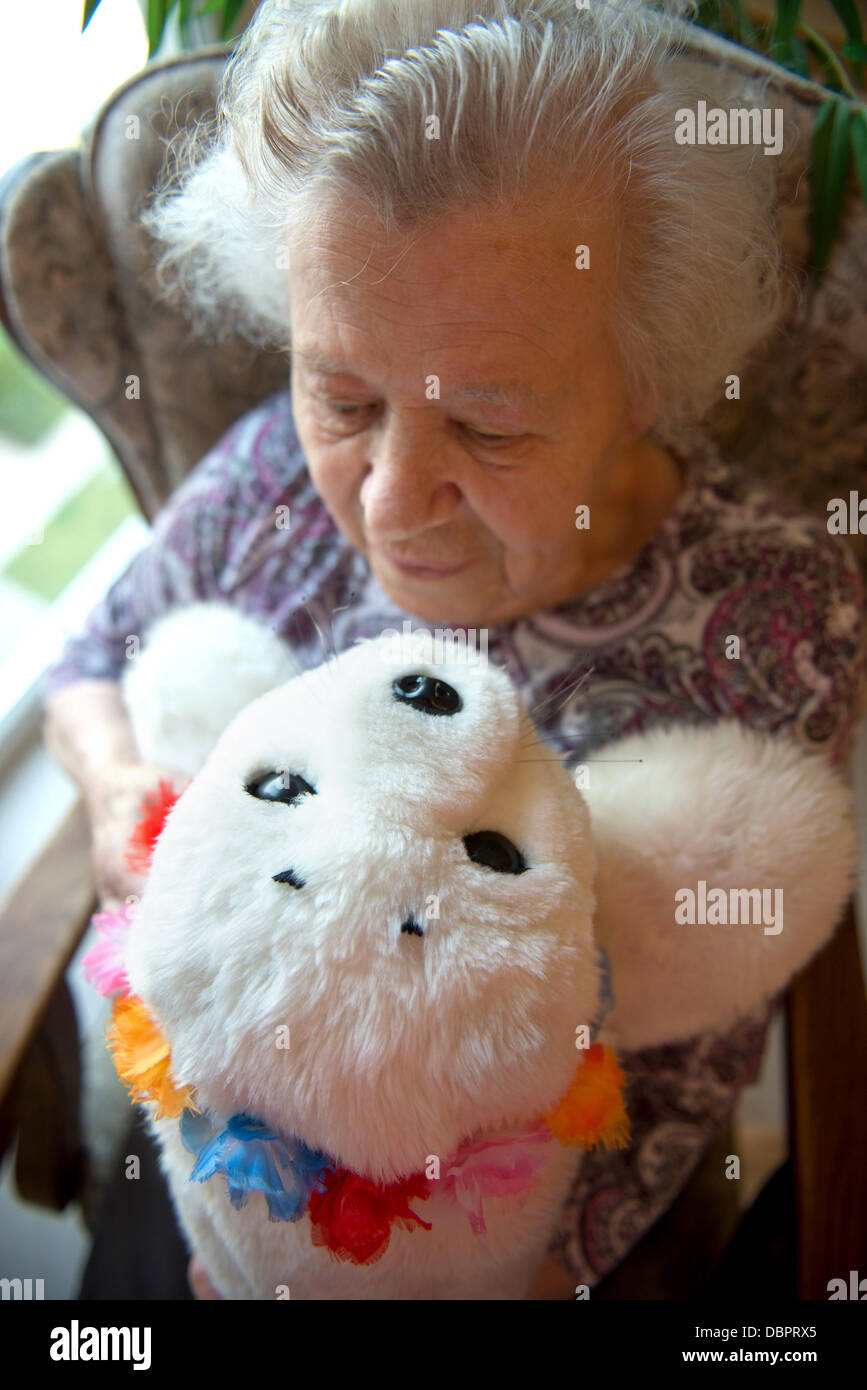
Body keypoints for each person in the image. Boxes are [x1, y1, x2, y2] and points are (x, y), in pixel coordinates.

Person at [40, 0, 864, 1298]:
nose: (383, 503)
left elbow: (682, 1062)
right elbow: (92, 656)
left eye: (485, 424)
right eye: (346, 398)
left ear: (648, 373)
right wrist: (110, 793)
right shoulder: (265, 474)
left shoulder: (766, 609)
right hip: (209, 1174)